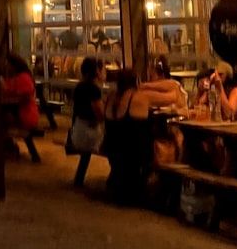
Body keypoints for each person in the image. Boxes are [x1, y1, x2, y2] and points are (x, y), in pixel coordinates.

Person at [102, 68, 183, 205]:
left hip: (112, 147)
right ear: (137, 81)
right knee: (173, 143)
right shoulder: (141, 97)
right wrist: (151, 85)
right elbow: (173, 95)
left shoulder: (111, 96)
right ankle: (167, 190)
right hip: (135, 152)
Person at [69, 57, 105, 187]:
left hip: (77, 132)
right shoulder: (94, 90)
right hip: (89, 135)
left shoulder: (79, 87)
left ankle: (79, 178)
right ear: (97, 71)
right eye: (103, 69)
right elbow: (100, 116)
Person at [3, 54, 39, 131]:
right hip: (16, 115)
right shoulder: (10, 78)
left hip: (24, 115)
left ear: (13, 65)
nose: (5, 66)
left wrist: (9, 100)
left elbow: (26, 97)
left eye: (7, 64)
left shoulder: (23, 77)